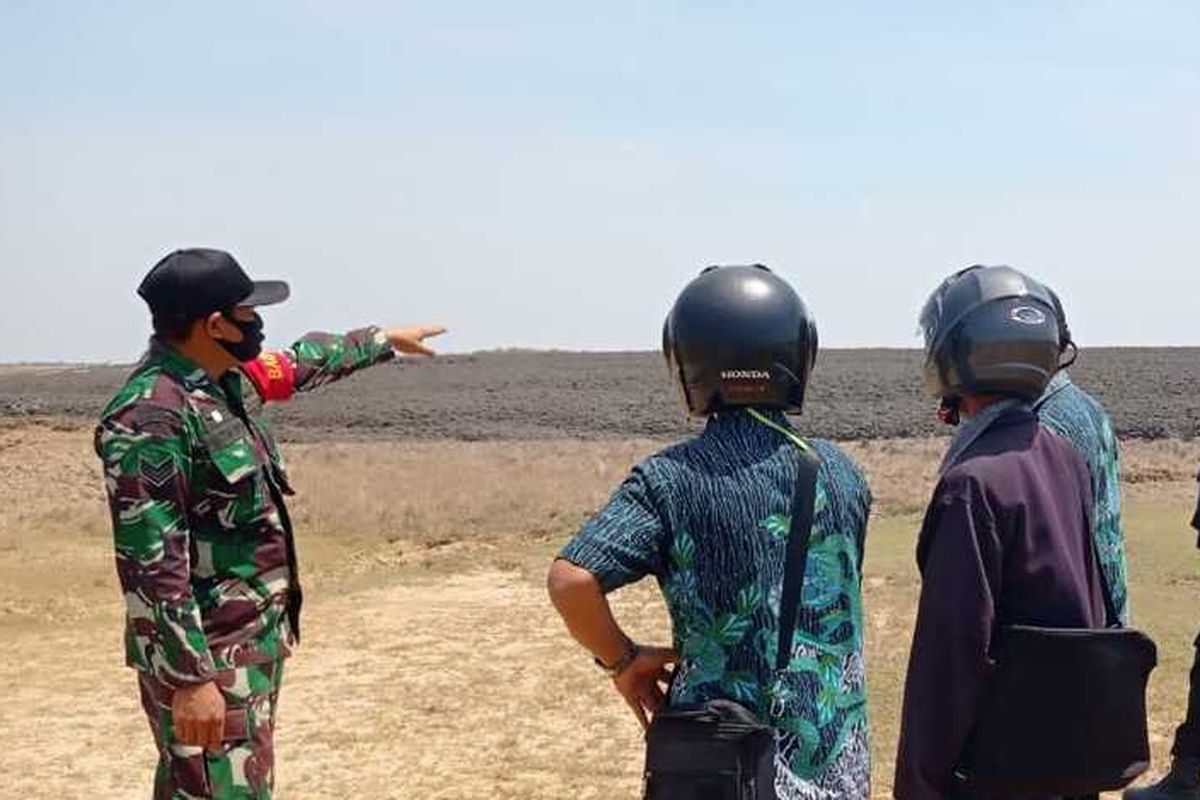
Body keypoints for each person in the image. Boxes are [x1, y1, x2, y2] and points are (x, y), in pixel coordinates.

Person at [94, 247, 446, 800]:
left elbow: (301, 362)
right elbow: (152, 564)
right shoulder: (152, 415)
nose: (258, 324)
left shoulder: (221, 382)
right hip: (209, 656)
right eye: (248, 312)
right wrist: (191, 681)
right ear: (215, 324)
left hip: (247, 643)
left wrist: (382, 340)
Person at [548, 264, 873, 799]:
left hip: (721, 769)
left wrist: (624, 661)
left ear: (686, 361)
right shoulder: (842, 473)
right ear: (798, 355)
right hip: (836, 765)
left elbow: (571, 580)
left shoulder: (669, 479)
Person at [894, 265, 1108, 800]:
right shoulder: (1063, 457)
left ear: (954, 353)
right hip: (1065, 754)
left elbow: (949, 662)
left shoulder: (972, 483)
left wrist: (918, 787)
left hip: (997, 769)